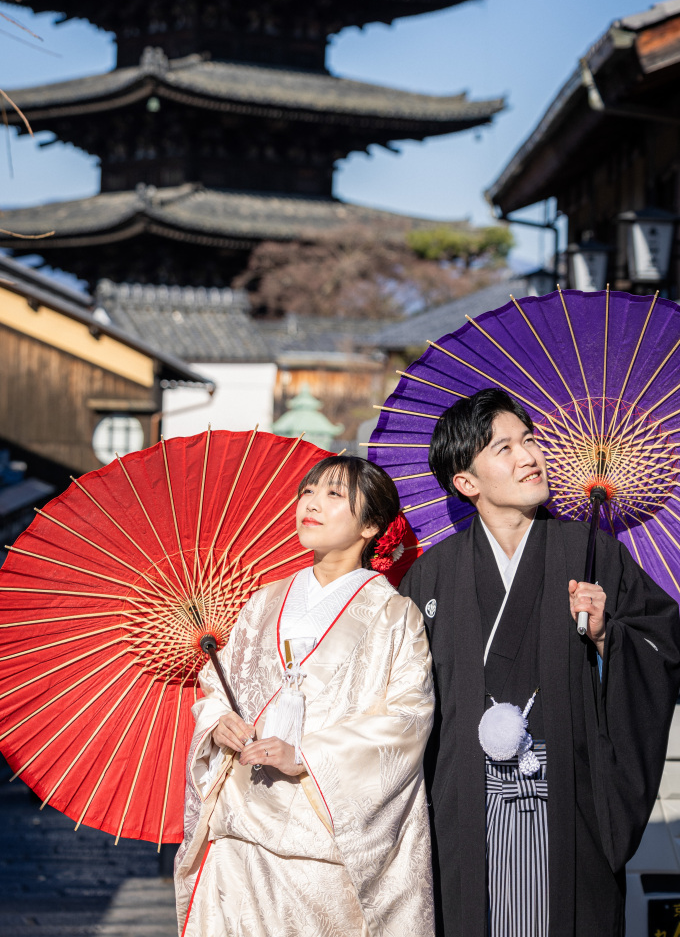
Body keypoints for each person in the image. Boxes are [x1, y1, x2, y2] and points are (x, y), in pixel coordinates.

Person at [399, 387, 680, 937]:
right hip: (463, 803)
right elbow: (399, 703)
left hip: (569, 797)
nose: (529, 456)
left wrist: (607, 637)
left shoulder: (590, 551)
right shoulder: (431, 577)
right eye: (504, 448)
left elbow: (662, 644)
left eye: (529, 440)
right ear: (467, 482)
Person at [175, 454, 435, 937]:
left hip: (322, 844)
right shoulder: (263, 601)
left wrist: (306, 756)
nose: (310, 505)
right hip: (240, 832)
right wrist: (218, 720)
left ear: (371, 525)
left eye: (333, 495)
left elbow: (407, 720)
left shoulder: (395, 615)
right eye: (308, 492)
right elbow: (217, 686)